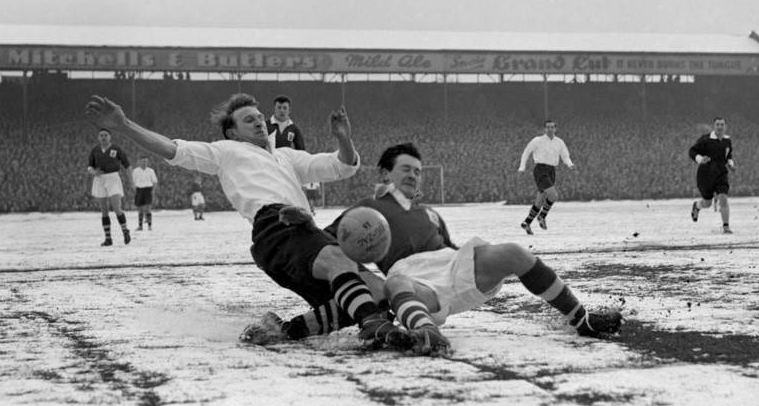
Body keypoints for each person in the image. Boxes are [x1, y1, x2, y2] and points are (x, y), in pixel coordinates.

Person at [85, 93, 415, 351]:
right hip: (275, 227)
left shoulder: (286, 156)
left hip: (305, 231)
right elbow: (173, 150)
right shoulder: (226, 151)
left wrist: (344, 139)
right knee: (344, 267)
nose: (259, 122)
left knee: (377, 294)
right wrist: (124, 125)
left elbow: (341, 166)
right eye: (248, 120)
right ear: (232, 131)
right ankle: (373, 326)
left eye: (259, 117)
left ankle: (284, 330)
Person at [250, 143, 622, 354]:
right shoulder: (364, 211)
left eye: (418, 170)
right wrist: (307, 223)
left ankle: (581, 320)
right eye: (405, 169)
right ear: (385, 175)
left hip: (451, 264)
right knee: (393, 288)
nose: (413, 175)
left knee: (514, 252)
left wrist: (473, 262)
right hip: (409, 277)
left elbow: (451, 249)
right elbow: (334, 244)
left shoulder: (429, 213)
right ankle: (428, 336)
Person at [517, 120, 575, 233]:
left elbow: (565, 156)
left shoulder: (559, 142)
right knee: (553, 195)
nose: (550, 129)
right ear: (544, 129)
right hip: (540, 170)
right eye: (548, 127)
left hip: (552, 171)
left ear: (555, 128)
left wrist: (570, 164)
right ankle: (542, 216)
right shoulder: (537, 140)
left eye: (552, 127)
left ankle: (527, 222)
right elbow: (526, 152)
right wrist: (522, 167)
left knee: (540, 200)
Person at [269, 95, 320, 210]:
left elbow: (301, 150)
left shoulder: (294, 129)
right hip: (269, 167)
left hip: (286, 169)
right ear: (274, 109)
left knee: (287, 198)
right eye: (279, 107)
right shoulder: (265, 126)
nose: (282, 110)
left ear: (289, 110)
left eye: (284, 108)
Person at [687, 118, 736, 234]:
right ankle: (697, 206)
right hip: (705, 175)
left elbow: (728, 155)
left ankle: (726, 226)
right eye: (717, 124)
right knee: (707, 203)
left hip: (721, 174)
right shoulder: (705, 139)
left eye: (722, 124)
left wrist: (730, 165)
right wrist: (700, 159)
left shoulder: (727, 141)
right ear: (713, 126)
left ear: (725, 126)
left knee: (723, 198)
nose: (720, 126)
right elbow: (692, 151)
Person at [86, 128, 132, 246]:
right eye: (101, 135)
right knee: (104, 211)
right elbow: (89, 167)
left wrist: (131, 181)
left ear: (110, 137)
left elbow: (127, 165)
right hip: (100, 179)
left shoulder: (116, 149)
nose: (103, 137)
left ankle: (125, 231)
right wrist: (94, 172)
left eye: (105, 135)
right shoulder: (95, 150)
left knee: (117, 208)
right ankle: (108, 238)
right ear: (98, 137)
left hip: (113, 178)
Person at [131, 154, 158, 231]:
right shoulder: (135, 171)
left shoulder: (151, 171)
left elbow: (155, 182)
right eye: (143, 161)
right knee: (140, 209)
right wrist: (134, 191)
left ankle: (149, 226)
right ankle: (140, 226)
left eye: (146, 161)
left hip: (148, 189)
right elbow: (133, 182)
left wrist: (153, 191)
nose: (144, 163)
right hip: (139, 189)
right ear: (140, 162)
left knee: (148, 208)